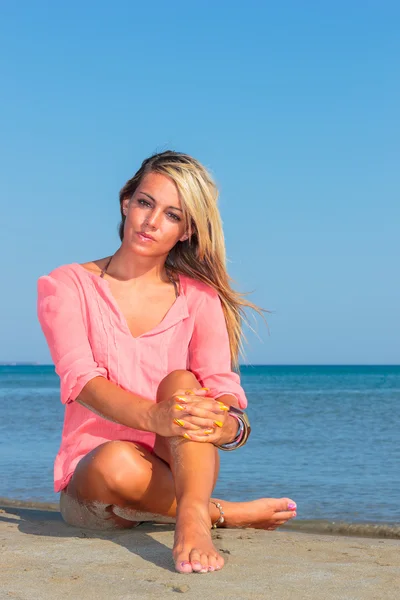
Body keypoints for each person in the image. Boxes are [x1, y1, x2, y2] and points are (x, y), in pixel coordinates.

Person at [37, 150, 297, 575]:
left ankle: (192, 517)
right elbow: (81, 380)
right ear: (126, 202)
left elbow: (219, 383)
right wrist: (155, 417)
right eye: (145, 203)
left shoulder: (199, 298)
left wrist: (227, 424)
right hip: (97, 481)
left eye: (172, 214)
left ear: (186, 230)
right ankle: (222, 512)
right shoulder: (67, 285)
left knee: (182, 382)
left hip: (175, 465)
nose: (152, 221)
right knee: (115, 458)